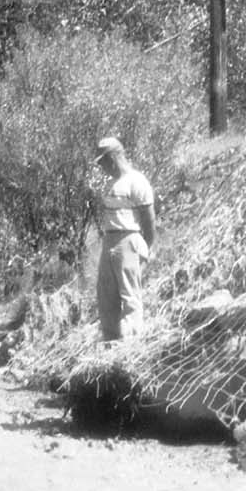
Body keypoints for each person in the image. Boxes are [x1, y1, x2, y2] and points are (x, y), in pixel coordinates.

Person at [94, 136, 155, 342]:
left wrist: (145, 247)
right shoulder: (112, 184)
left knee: (130, 297)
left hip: (129, 240)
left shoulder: (137, 181)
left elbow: (149, 219)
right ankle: (111, 345)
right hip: (109, 242)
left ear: (114, 158)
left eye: (103, 161)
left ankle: (131, 346)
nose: (102, 166)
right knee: (106, 297)